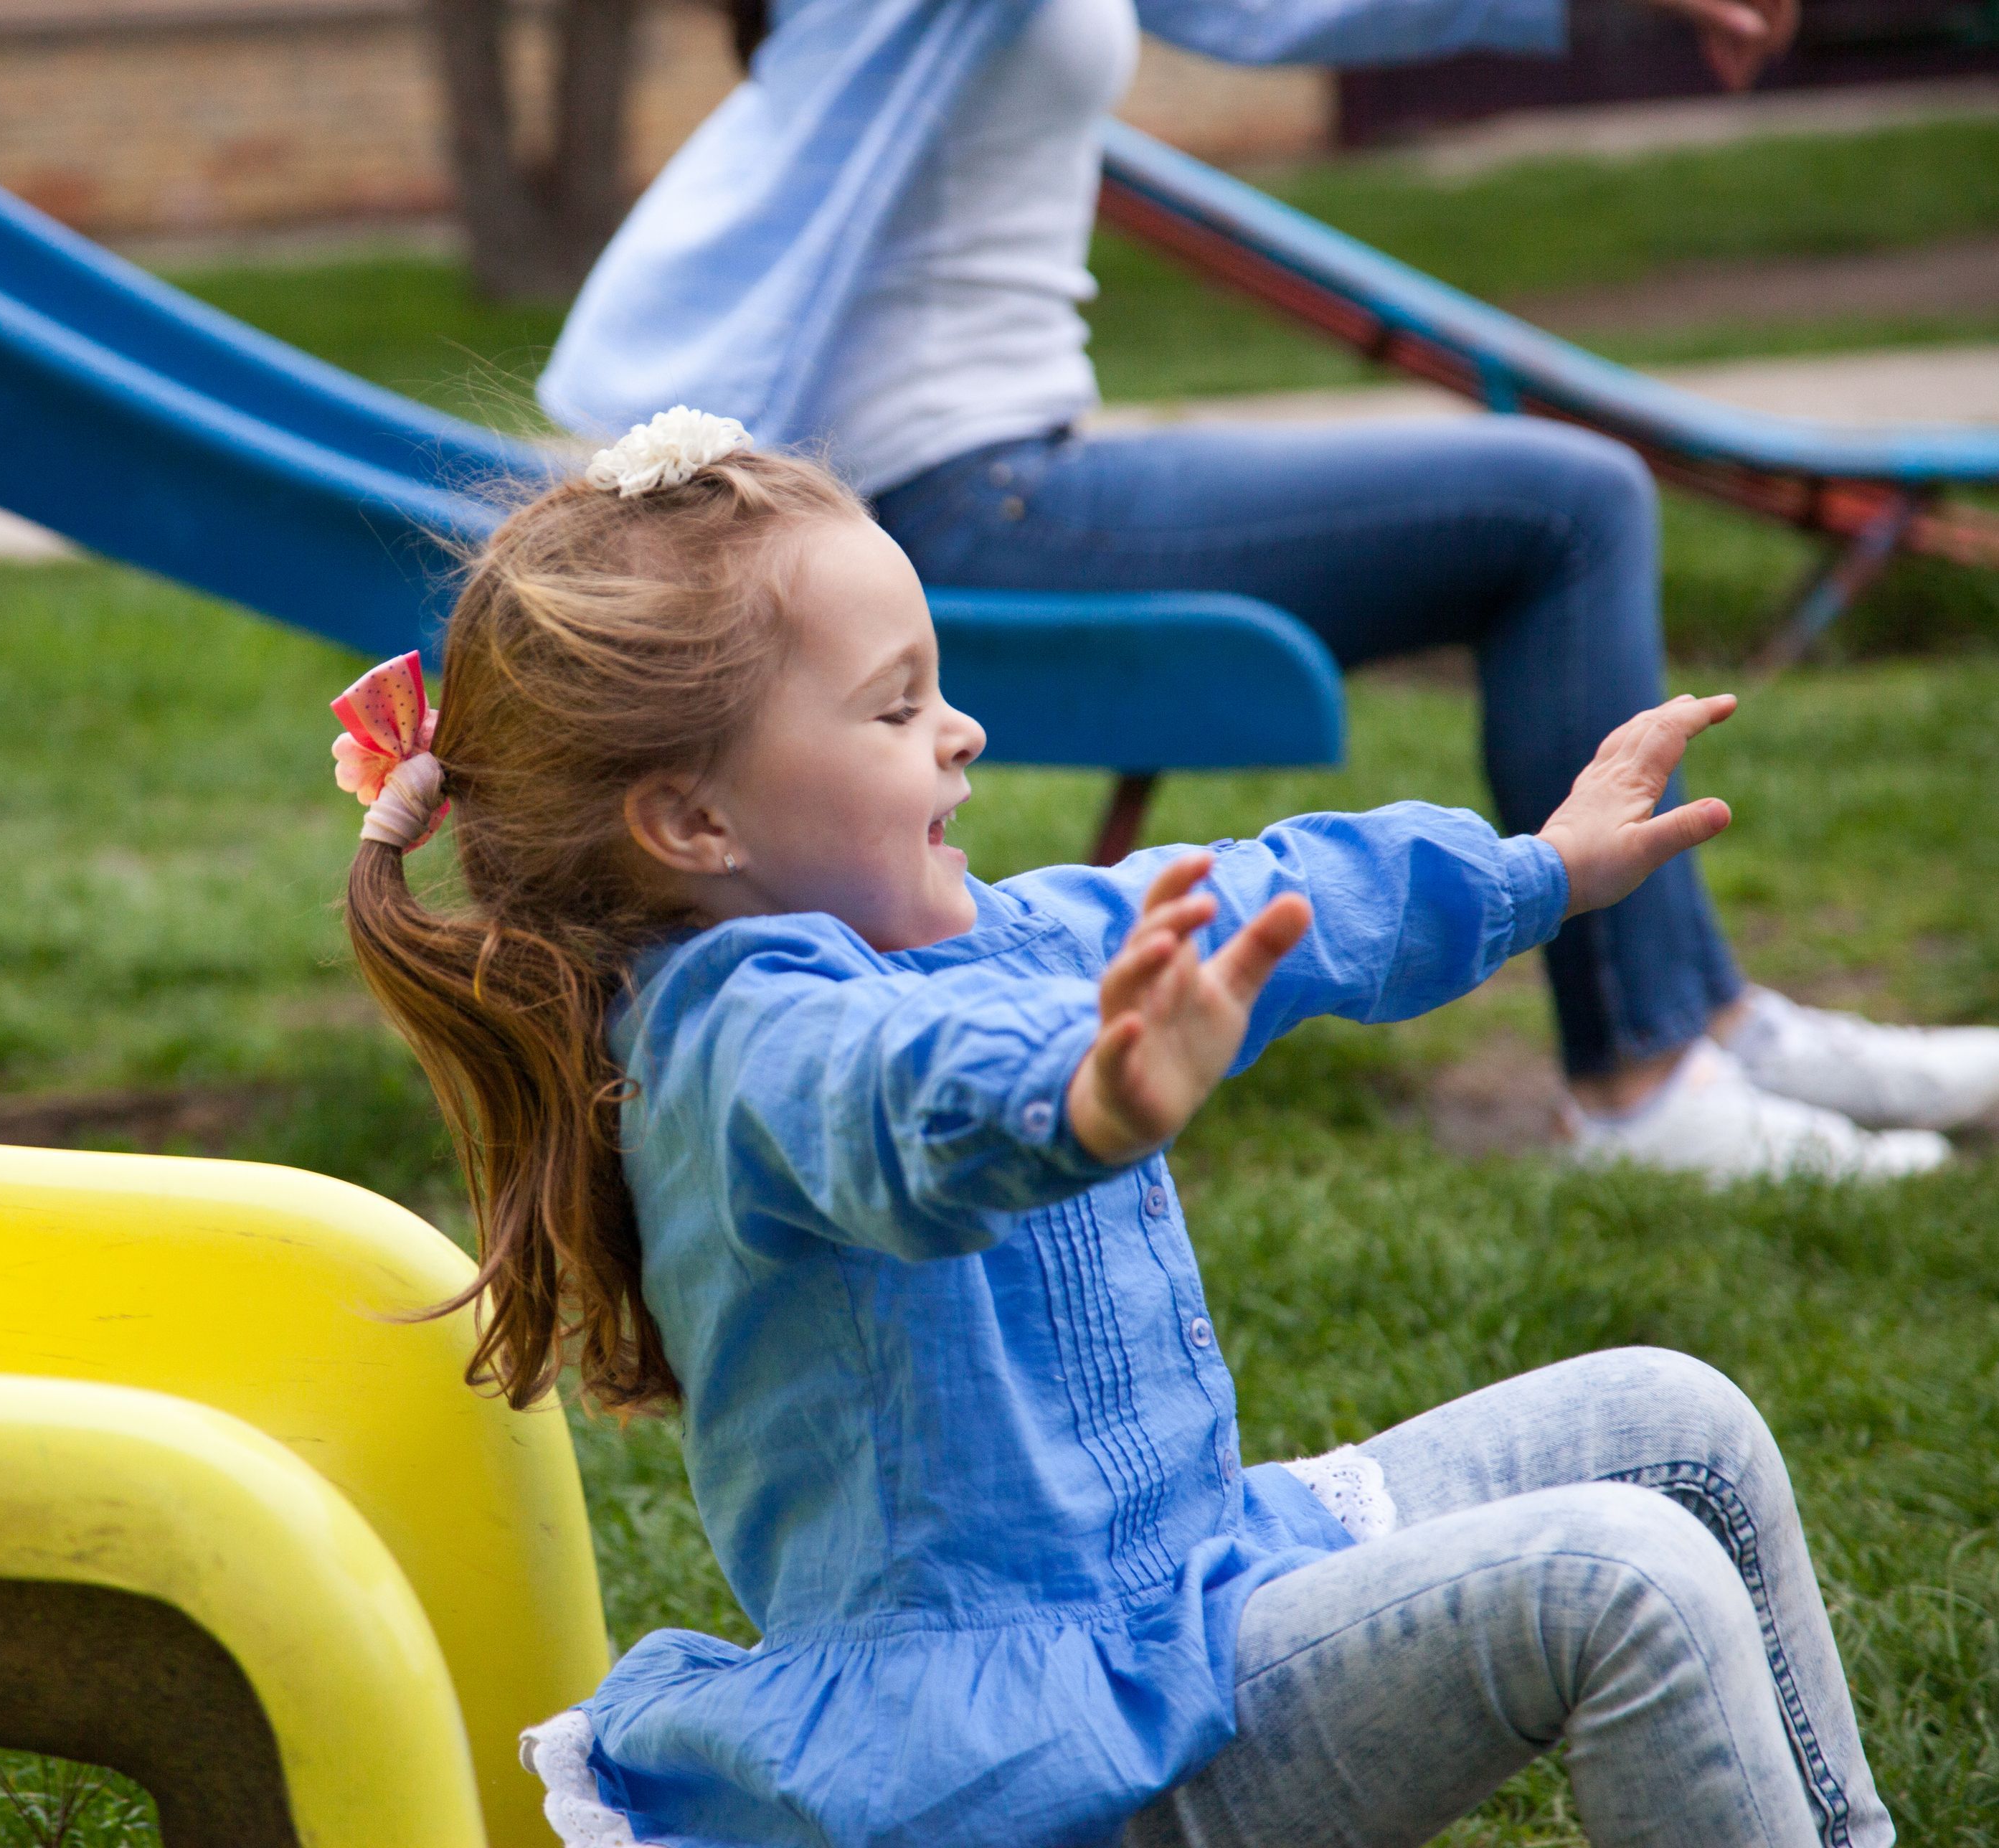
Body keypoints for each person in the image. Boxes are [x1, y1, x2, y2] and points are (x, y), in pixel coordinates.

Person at [331, 416, 1891, 1847]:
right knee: (1619, 1576)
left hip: (1185, 1606)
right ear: (695, 824)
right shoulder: (731, 1039)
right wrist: (1076, 1100)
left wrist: (1534, 870)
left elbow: (1264, 893)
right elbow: (896, 1099)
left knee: (1674, 1420)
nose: (963, 734)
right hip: (1047, 1774)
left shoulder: (982, 931)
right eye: (894, 707)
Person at [534, 0, 1999, 1181]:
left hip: (1004, 469)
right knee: (1561, 505)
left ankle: (1703, 1021)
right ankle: (1641, 1081)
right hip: (965, 502)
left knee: (1560, 500)